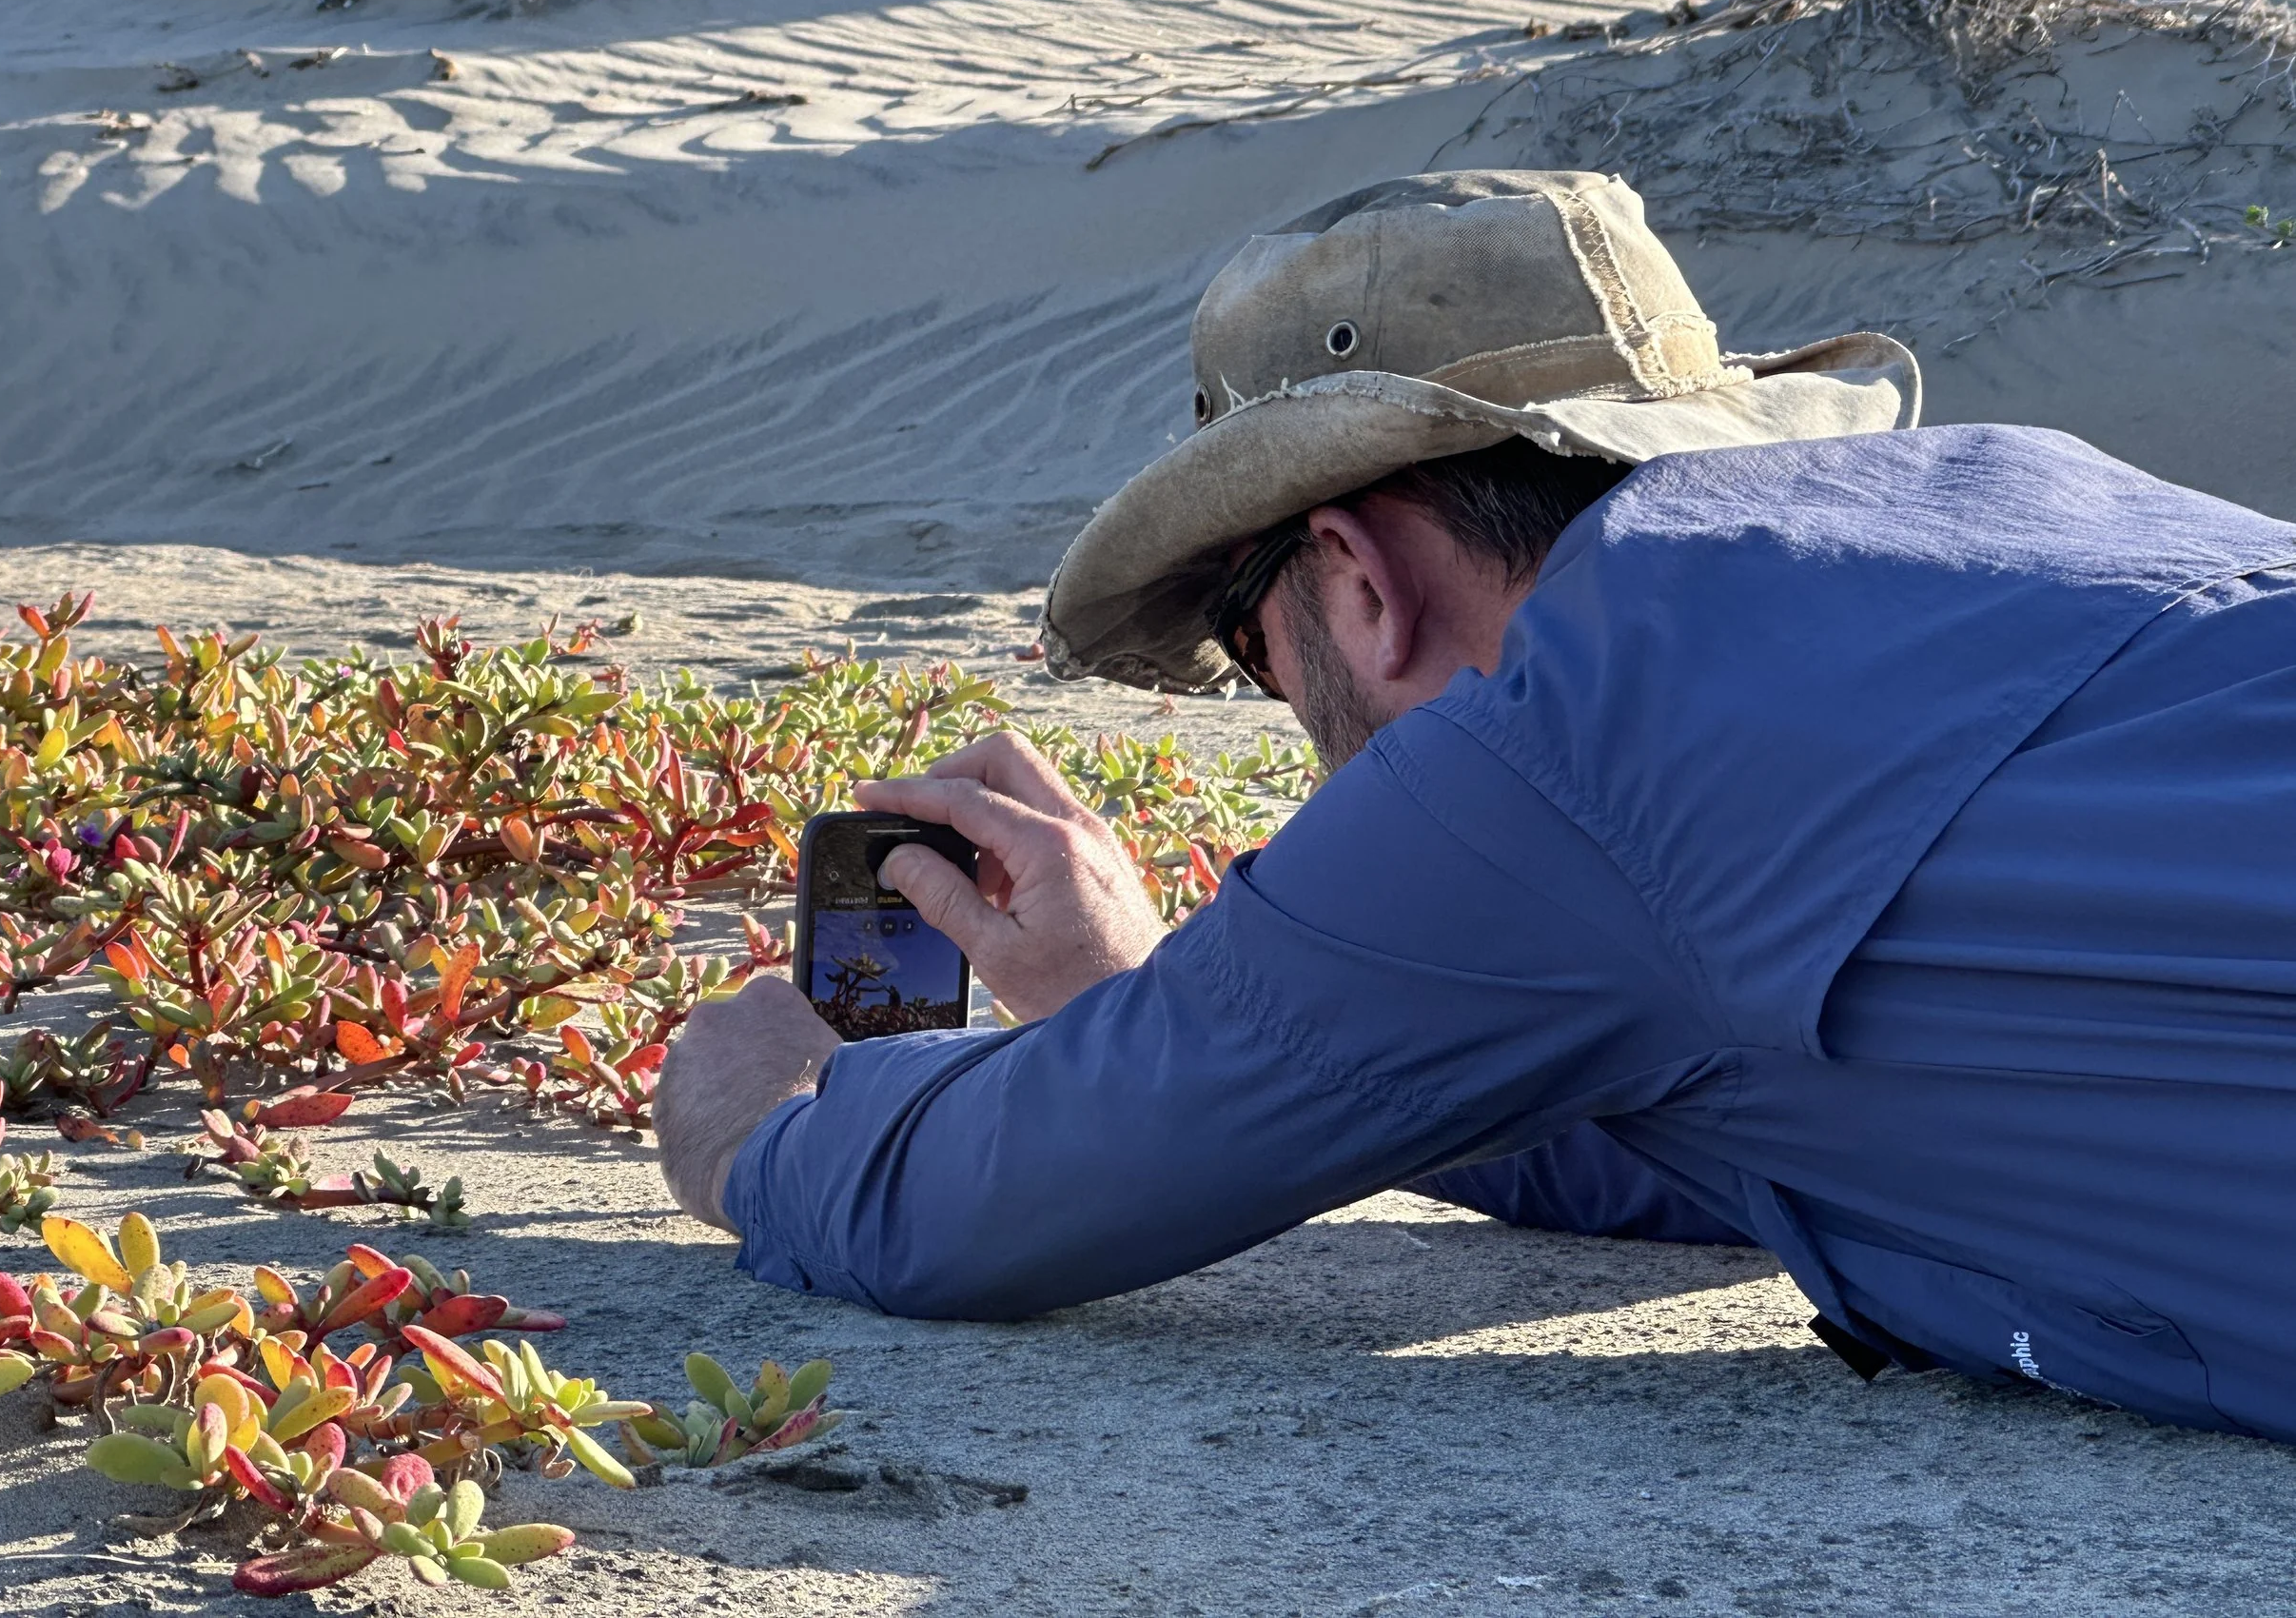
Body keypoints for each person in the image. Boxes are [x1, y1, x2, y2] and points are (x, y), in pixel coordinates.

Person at [656, 169, 2296, 1442]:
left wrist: (768, 1114)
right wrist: (1165, 1011)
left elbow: (958, 1212)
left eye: (1250, 646)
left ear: (1355, 581)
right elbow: (1696, 1126)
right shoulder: (2032, 507)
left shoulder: (1569, 729)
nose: (1287, 708)